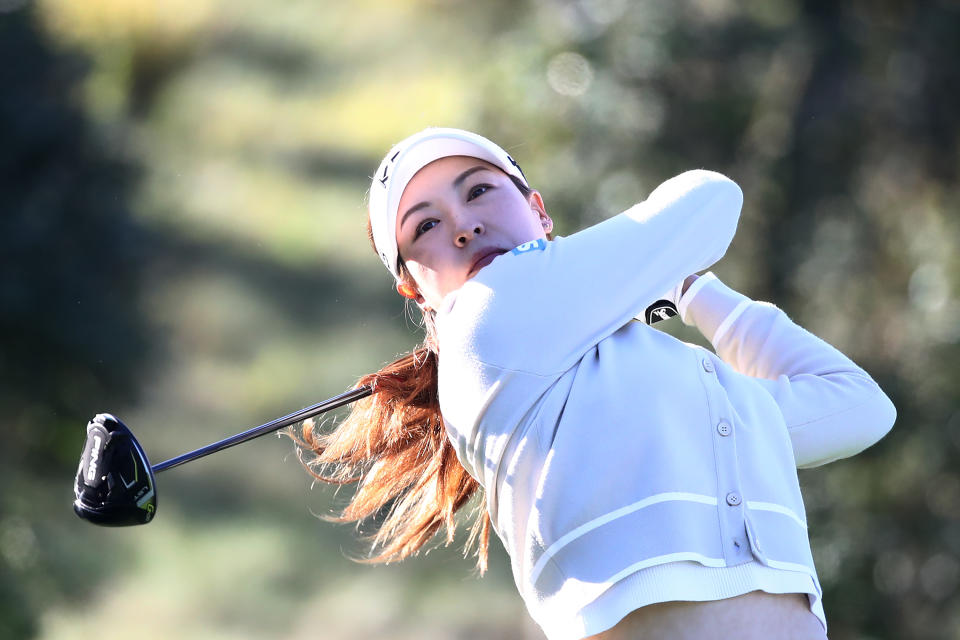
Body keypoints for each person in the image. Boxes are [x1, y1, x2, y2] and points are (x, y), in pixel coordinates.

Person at [292, 128, 897, 639]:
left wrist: (688, 289)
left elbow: (858, 405)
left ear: (539, 209)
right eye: (425, 227)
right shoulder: (485, 317)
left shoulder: (671, 377)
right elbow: (711, 199)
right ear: (415, 293)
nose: (464, 227)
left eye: (479, 191)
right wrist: (663, 280)